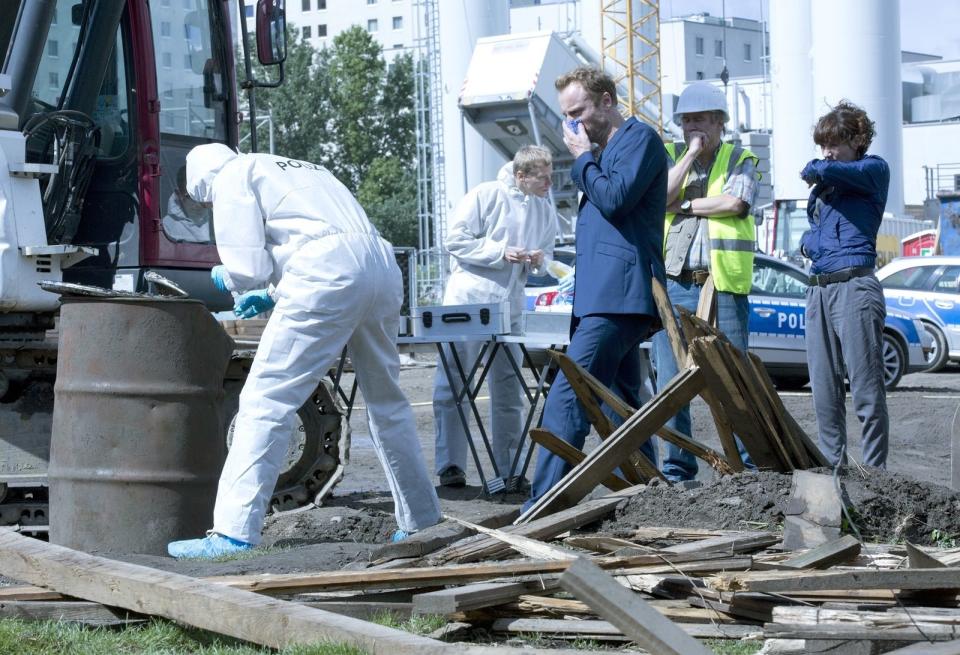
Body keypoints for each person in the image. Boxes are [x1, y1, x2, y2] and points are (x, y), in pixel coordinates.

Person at [167, 144, 442, 558]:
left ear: (199, 182)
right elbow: (326, 241)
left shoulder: (230, 177)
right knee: (388, 403)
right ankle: (421, 520)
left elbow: (250, 268)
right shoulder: (301, 167)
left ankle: (234, 533)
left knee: (266, 400)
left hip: (329, 273)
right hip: (380, 267)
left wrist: (229, 278)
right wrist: (273, 292)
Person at [523, 66, 667, 512]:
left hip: (619, 297)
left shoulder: (638, 140)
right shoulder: (605, 149)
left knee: (571, 393)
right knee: (624, 403)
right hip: (603, 297)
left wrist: (583, 157)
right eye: (566, 115)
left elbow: (616, 198)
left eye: (578, 112)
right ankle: (648, 494)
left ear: (607, 100)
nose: (572, 124)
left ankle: (544, 503)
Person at [652, 81, 760, 482]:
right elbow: (659, 196)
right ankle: (678, 472)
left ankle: (745, 469)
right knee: (671, 381)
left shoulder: (740, 158)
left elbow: (735, 202)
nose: (691, 127)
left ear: (719, 122)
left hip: (723, 284)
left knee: (732, 378)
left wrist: (687, 205)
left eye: (699, 119)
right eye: (685, 121)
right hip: (675, 283)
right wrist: (691, 154)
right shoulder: (670, 156)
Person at [433, 146, 558, 488]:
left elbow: (547, 250)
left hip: (510, 306)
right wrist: (500, 253)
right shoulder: (486, 195)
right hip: (468, 302)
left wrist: (537, 260)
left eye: (550, 176)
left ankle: (510, 468)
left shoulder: (543, 208)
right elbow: (454, 240)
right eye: (542, 178)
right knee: (454, 382)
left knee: (508, 385)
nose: (550, 183)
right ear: (521, 175)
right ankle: (450, 466)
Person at [800, 100, 890, 468]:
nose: (827, 152)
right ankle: (831, 474)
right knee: (824, 392)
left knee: (867, 391)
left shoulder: (873, 170)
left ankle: (876, 477)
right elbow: (819, 229)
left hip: (855, 287)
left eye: (835, 143)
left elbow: (814, 169)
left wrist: (819, 166)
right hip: (818, 288)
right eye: (823, 145)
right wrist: (806, 244)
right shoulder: (826, 186)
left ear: (858, 140)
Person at [162, 166, 213, 243]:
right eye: (191, 197)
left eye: (202, 197)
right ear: (178, 194)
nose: (199, 204)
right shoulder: (166, 228)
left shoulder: (218, 223)